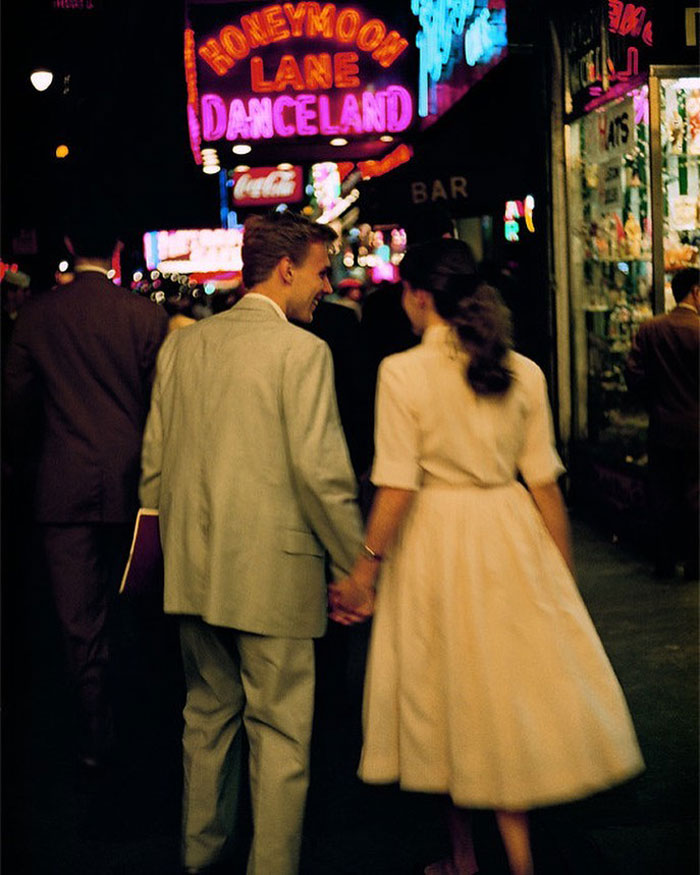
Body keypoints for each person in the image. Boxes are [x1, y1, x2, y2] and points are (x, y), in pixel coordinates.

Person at [330, 238, 645, 875]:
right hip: (511, 534)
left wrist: (366, 567)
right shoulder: (522, 369)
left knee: (447, 697)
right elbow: (545, 484)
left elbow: (396, 483)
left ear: (418, 297)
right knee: (501, 697)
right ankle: (519, 860)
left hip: (436, 541)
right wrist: (562, 577)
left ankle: (464, 859)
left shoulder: (402, 373)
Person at [139, 210, 364, 875]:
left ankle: (199, 856)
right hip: (273, 575)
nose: (329, 284)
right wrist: (359, 564)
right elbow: (322, 474)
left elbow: (153, 468)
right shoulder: (302, 352)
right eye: (323, 271)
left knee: (206, 720)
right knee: (281, 732)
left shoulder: (183, 347)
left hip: (191, 574)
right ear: (287, 268)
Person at [4, 219, 169, 772]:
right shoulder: (145, 315)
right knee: (135, 608)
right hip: (133, 484)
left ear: (70, 245)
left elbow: (15, 406)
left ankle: (95, 735)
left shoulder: (37, 316)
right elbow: (162, 407)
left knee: (79, 621)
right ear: (118, 247)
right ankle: (142, 723)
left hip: (61, 487)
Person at [625, 267, 699, 580]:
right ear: (696, 291)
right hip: (697, 429)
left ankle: (665, 560)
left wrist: (655, 402)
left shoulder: (651, 329)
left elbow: (633, 374)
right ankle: (695, 562)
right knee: (696, 496)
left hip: (662, 426)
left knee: (664, 495)